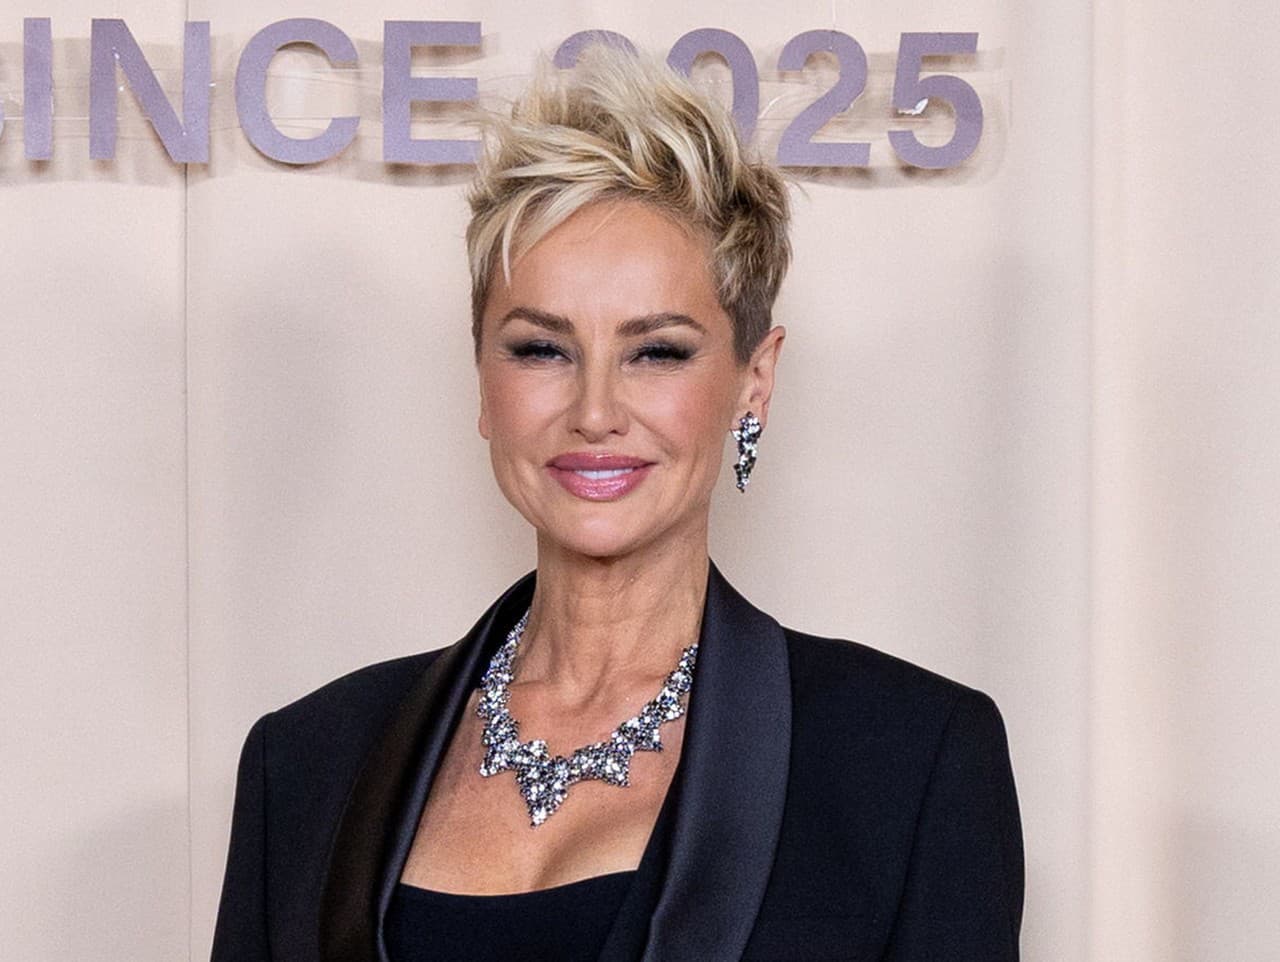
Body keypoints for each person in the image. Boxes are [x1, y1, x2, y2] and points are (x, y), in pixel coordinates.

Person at [211, 48, 1024, 962]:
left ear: (753, 383)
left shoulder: (909, 762)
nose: (595, 411)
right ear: (482, 380)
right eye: (541, 350)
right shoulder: (306, 763)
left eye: (658, 352)